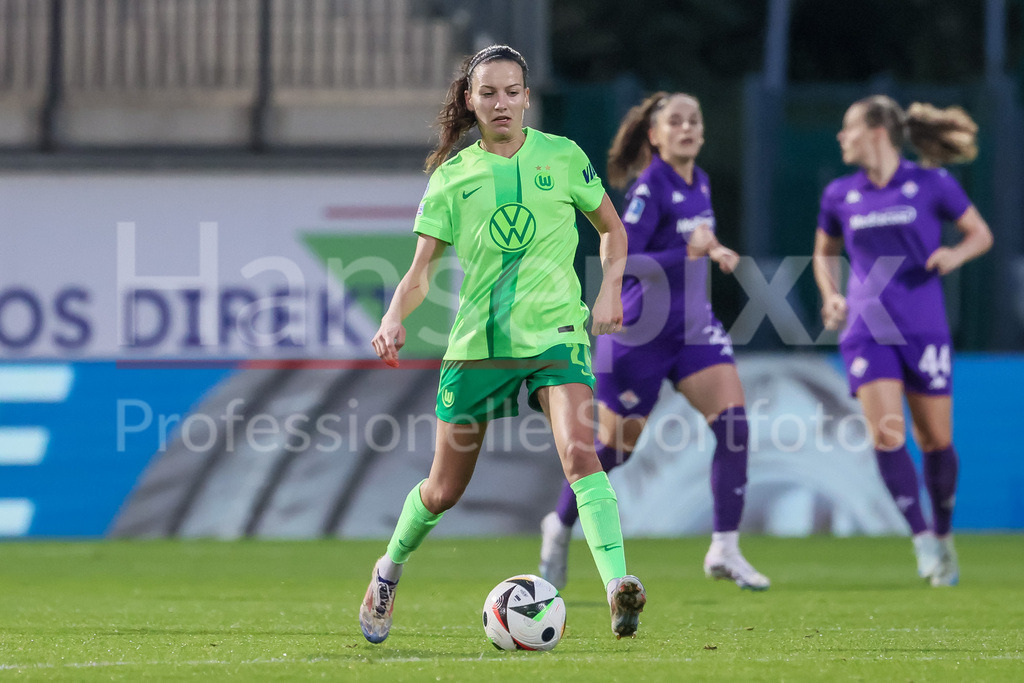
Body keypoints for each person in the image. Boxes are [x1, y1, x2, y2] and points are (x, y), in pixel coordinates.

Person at [359, 45, 647, 644]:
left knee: (580, 455)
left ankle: (618, 586)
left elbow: (613, 231)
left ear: (526, 97)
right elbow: (420, 274)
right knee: (444, 490)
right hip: (479, 349)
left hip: (557, 338)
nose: (501, 103)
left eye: (512, 91)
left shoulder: (563, 157)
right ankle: (387, 572)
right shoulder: (452, 178)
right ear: (470, 100)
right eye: (488, 93)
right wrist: (393, 316)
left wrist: (611, 289)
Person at [538, 92, 770, 592]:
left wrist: (713, 251)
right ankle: (557, 527)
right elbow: (630, 258)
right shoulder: (649, 189)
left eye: (694, 120)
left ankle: (725, 547)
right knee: (613, 452)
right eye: (675, 121)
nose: (687, 128)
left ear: (702, 132)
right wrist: (689, 250)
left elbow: (693, 248)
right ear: (655, 135)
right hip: (639, 335)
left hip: (692, 331)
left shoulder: (701, 182)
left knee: (734, 428)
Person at [812, 95, 993, 587]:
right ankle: (922, 543)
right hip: (867, 330)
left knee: (934, 441)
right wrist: (831, 295)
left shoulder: (931, 183)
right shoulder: (839, 194)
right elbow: (823, 253)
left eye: (848, 128)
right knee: (887, 435)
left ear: (876, 132)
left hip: (924, 326)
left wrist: (954, 256)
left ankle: (944, 533)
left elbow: (980, 233)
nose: (841, 137)